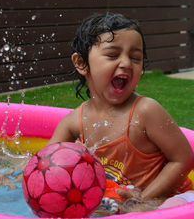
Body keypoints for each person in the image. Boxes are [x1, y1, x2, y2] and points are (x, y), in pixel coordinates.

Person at [47, 12, 194, 212]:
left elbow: (183, 159)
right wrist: (17, 177)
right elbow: (45, 163)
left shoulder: (145, 111)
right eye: (113, 55)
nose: (126, 63)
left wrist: (142, 200)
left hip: (175, 201)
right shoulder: (74, 122)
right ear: (81, 63)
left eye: (135, 57)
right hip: (124, 206)